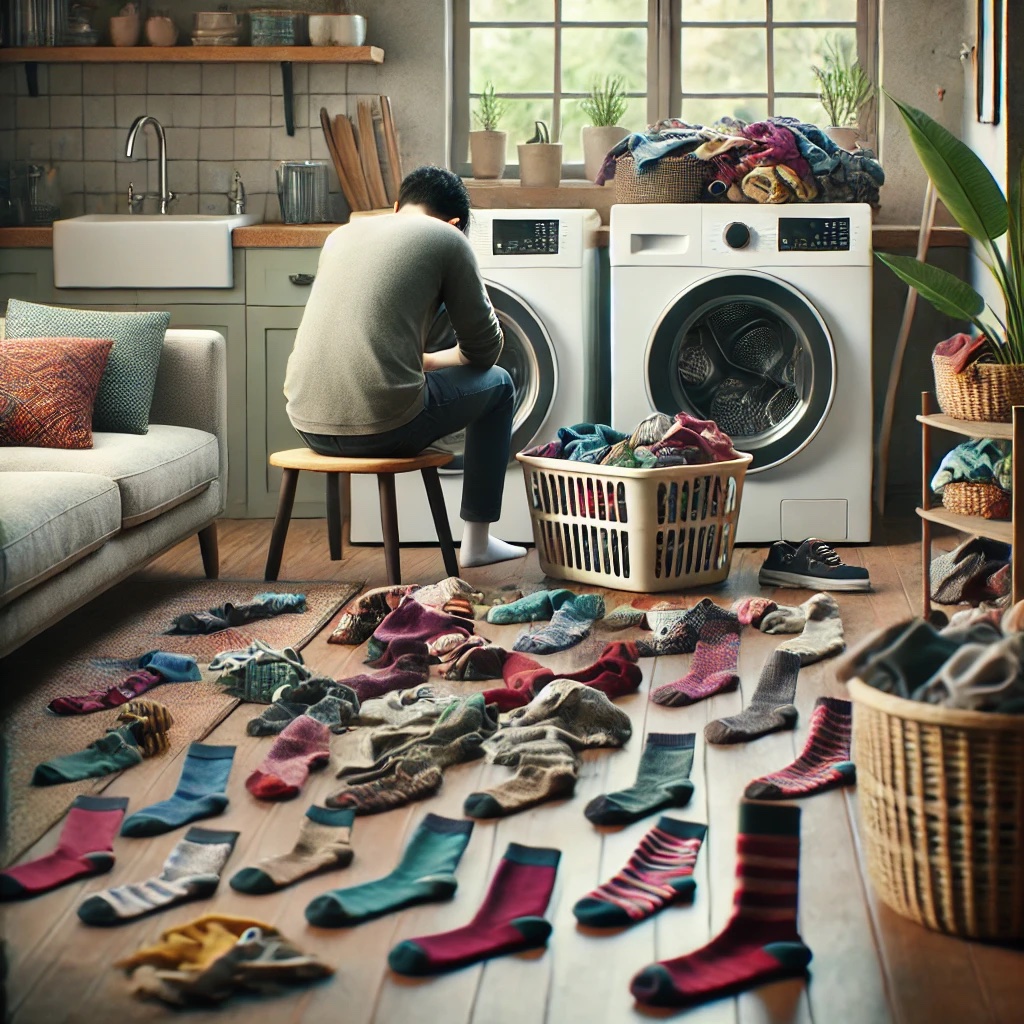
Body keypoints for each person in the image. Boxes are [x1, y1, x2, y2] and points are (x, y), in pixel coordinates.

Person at [284, 165, 526, 567]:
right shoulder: (447, 237)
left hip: (307, 423)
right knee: (499, 385)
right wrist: (436, 360)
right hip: (383, 429)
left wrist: (421, 360)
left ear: (397, 207)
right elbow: (486, 352)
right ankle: (478, 541)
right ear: (455, 223)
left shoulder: (342, 234)